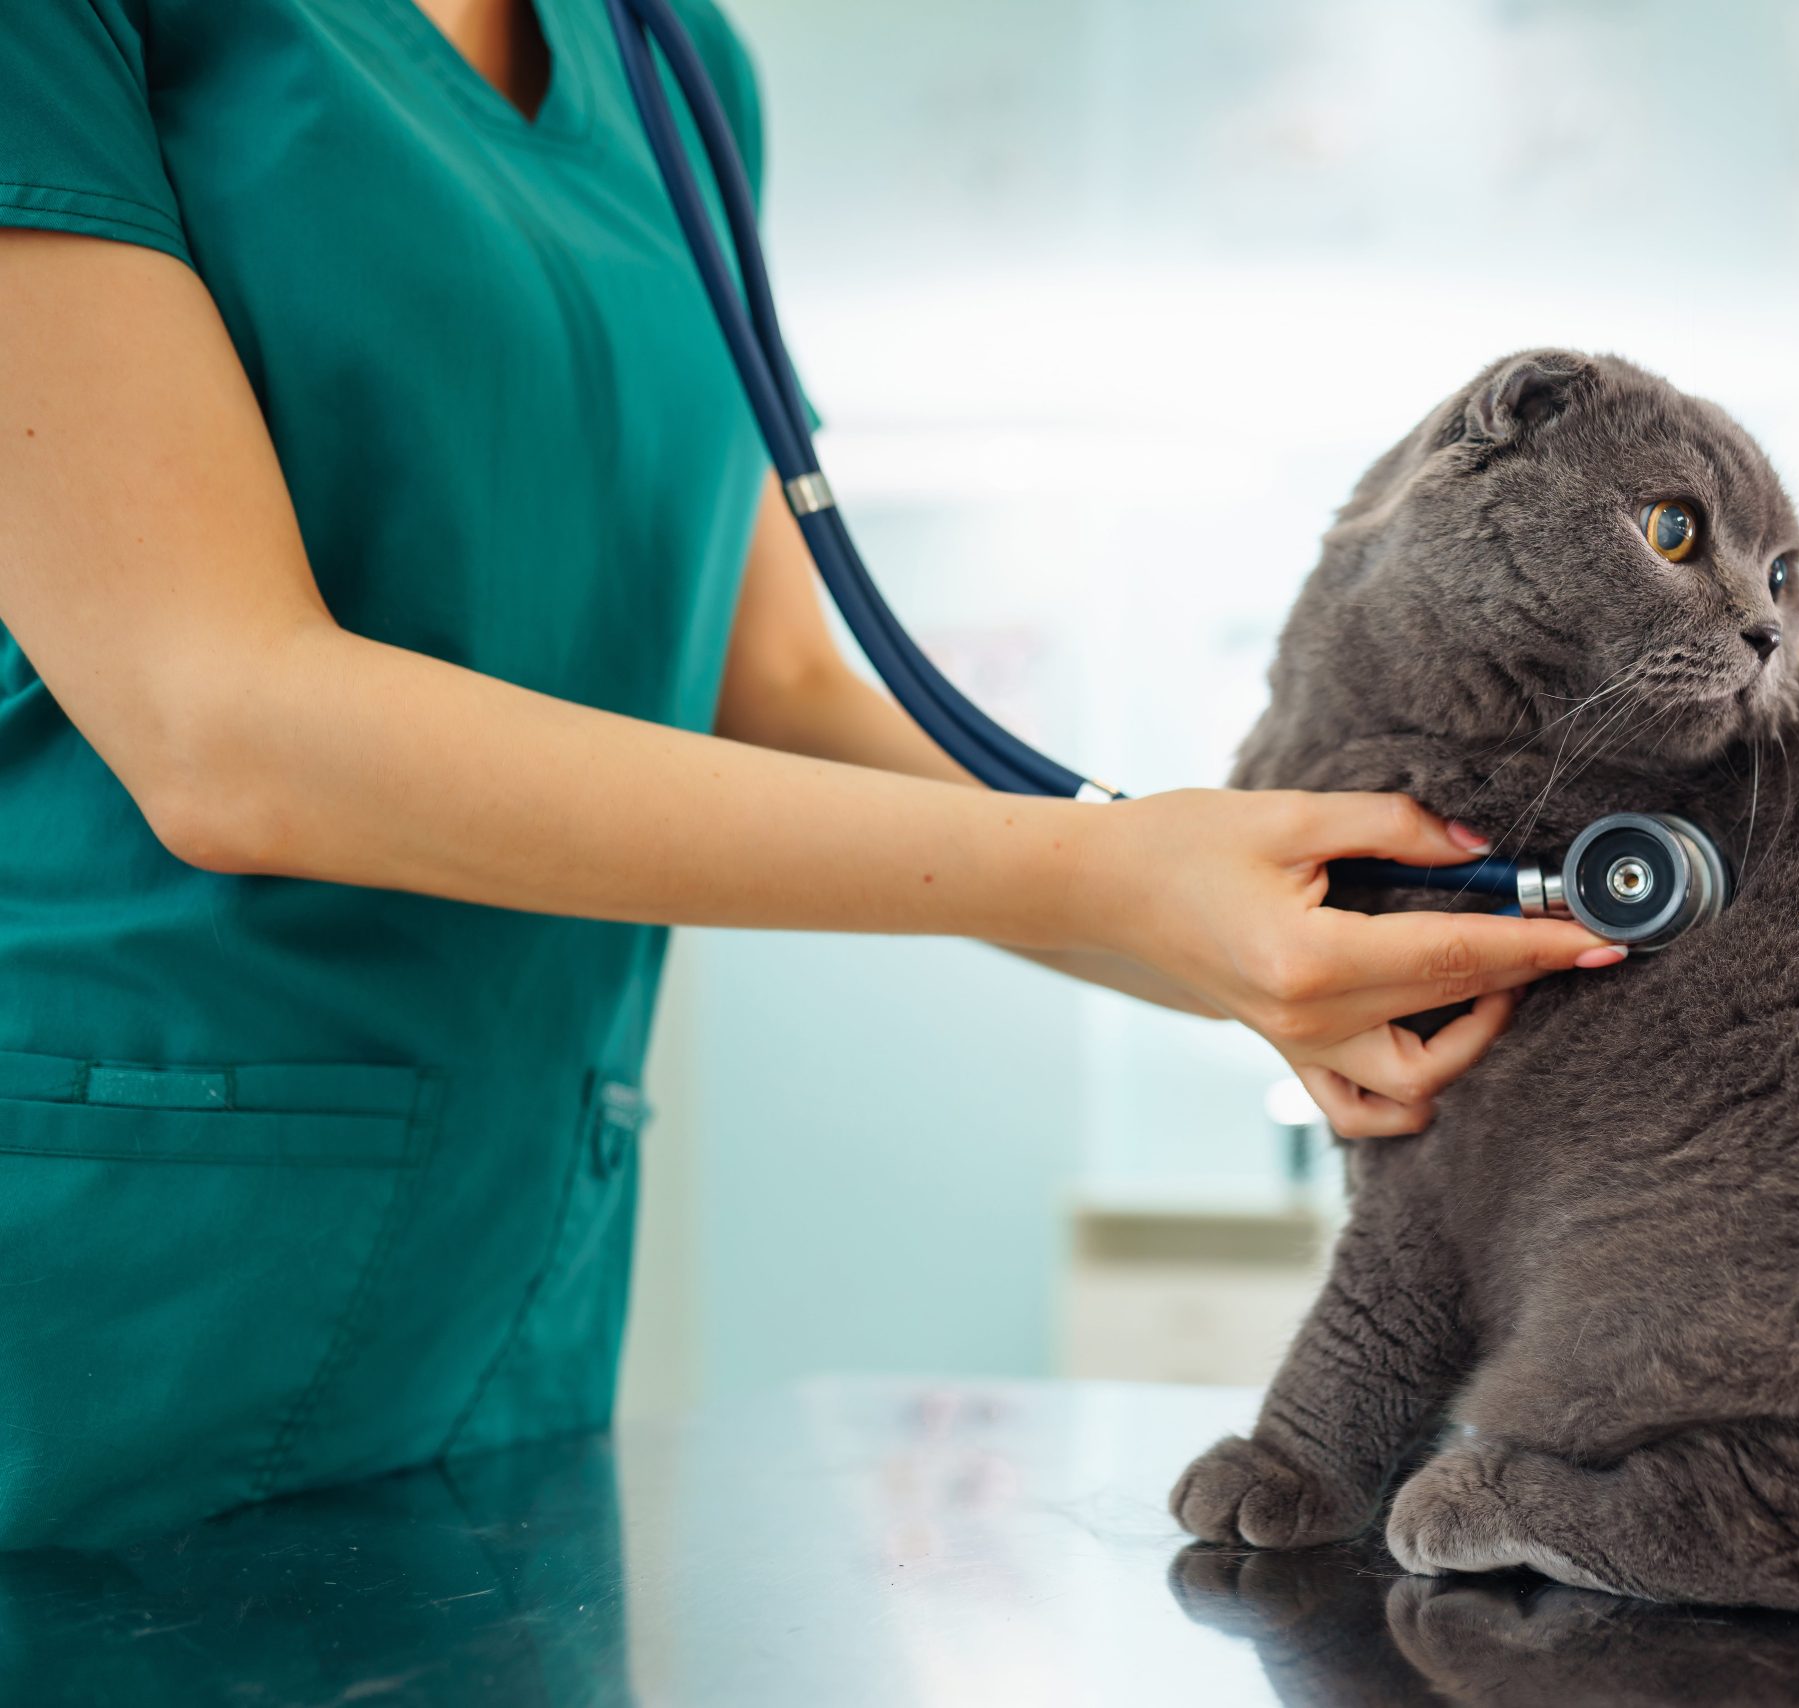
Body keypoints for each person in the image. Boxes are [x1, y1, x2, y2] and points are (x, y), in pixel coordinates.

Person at [0, 0, 1622, 1549]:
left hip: (497, 1283)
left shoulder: (676, 69)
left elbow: (766, 685)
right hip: (118, 1271)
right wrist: (1115, 878)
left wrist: (1287, 931)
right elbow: (216, 719)